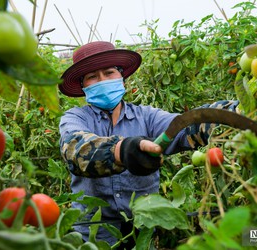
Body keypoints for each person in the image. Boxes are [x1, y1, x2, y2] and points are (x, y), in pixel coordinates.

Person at [58, 41, 238, 247]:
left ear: (122, 77)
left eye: (109, 73)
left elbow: (185, 127)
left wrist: (232, 112)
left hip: (144, 230)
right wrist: (121, 150)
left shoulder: (147, 117)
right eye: (92, 77)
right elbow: (75, 148)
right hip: (93, 234)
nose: (102, 80)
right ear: (83, 86)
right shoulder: (75, 117)